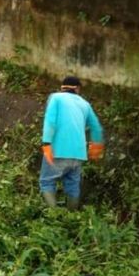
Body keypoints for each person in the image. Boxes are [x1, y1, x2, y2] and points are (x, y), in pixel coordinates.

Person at [39, 76, 104, 209]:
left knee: (47, 182)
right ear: (77, 89)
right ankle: (71, 217)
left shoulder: (55, 97)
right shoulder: (85, 104)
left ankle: (54, 217)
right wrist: (96, 149)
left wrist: (46, 143)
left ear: (62, 87)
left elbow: (50, 120)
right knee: (72, 185)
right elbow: (96, 127)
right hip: (78, 154)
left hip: (58, 150)